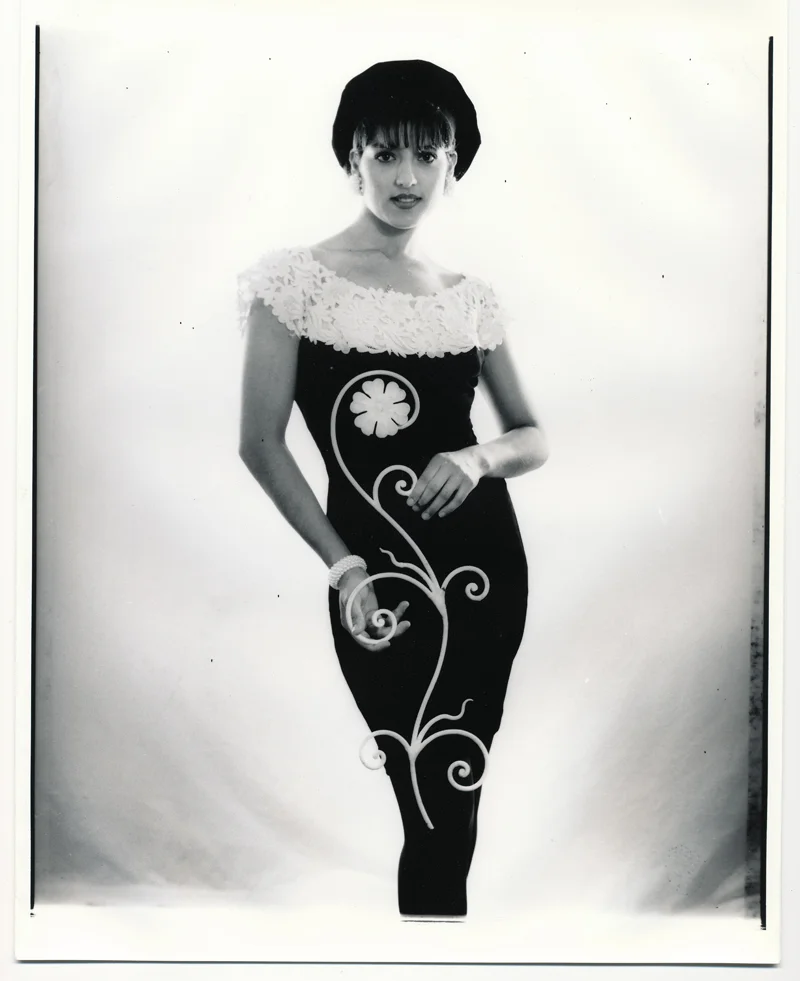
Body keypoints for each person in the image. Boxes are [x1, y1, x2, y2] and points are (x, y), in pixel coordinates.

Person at [237, 59, 548, 919]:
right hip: (375, 578)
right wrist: (345, 571)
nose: (407, 177)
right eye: (386, 154)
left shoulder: (467, 300)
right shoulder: (292, 284)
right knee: (424, 792)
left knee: (455, 791)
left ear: (453, 164)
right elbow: (260, 444)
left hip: (485, 573)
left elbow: (532, 433)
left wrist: (479, 459)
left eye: (427, 155)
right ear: (353, 160)